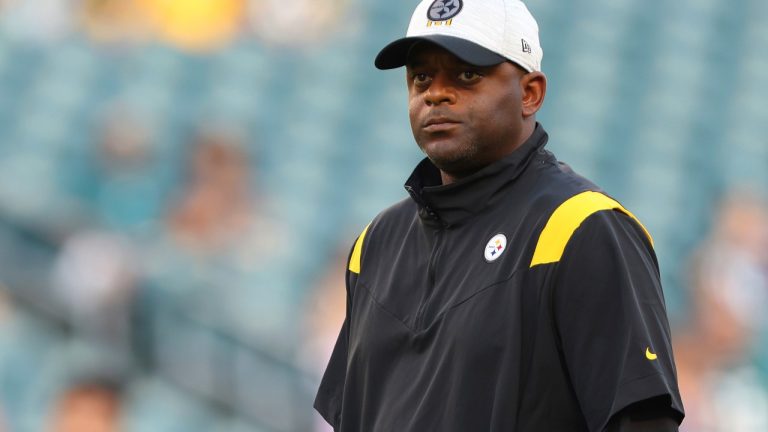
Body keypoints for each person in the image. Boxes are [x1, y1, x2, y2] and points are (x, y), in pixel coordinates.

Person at [314, 0, 684, 431]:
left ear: (530, 93)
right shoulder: (376, 244)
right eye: (421, 77)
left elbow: (643, 422)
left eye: (467, 74)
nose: (435, 93)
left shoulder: (582, 228)